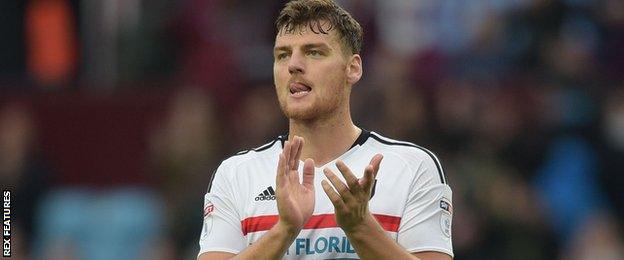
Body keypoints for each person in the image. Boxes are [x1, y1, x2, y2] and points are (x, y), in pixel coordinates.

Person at [197, 0, 453, 259]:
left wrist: (361, 227)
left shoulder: (412, 167)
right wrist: (284, 230)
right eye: (282, 55)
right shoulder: (236, 174)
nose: (293, 65)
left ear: (353, 68)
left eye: (314, 52)